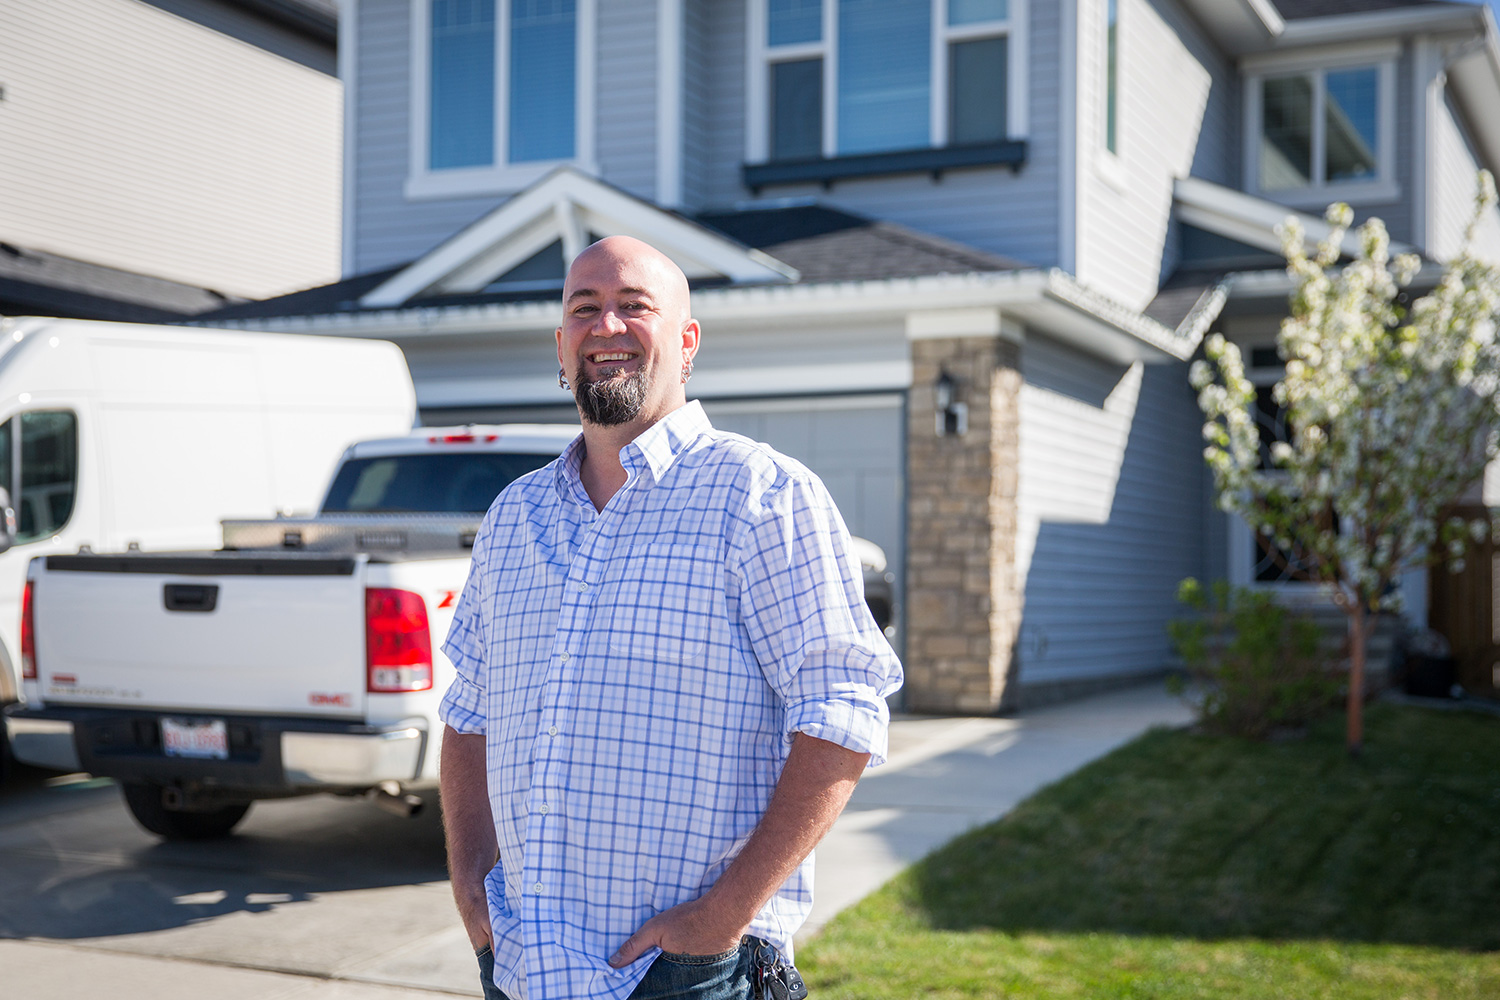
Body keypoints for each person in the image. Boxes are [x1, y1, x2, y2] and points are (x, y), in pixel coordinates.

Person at [438, 235, 903, 1000]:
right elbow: (470, 708)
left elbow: (844, 713)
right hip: (522, 969)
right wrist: (468, 877)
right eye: (584, 309)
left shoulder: (761, 497)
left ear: (687, 343)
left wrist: (721, 918)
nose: (607, 326)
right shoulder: (514, 516)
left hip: (687, 976)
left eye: (635, 306)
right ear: (561, 346)